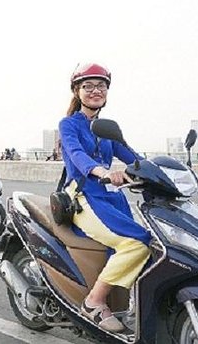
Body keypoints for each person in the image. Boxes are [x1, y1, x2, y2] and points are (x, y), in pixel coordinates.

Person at [59, 63, 151, 333]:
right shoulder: (69, 124)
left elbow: (130, 155)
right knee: (136, 243)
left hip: (113, 198)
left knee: (154, 244)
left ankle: (132, 303)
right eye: (88, 86)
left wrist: (159, 172)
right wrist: (103, 172)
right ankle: (94, 302)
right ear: (77, 91)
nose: (95, 91)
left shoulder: (107, 127)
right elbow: (77, 155)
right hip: (84, 196)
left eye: (101, 85)